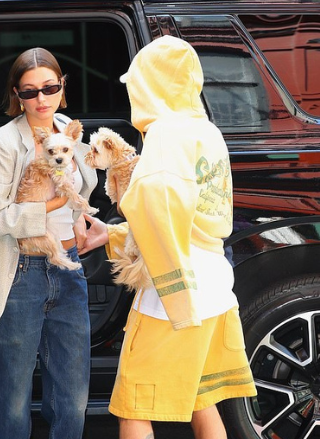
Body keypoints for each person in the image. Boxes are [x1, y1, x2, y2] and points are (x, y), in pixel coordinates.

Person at [78, 36, 256, 438]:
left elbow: (157, 206)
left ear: (149, 85)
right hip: (214, 281)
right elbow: (187, 215)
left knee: (133, 404)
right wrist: (113, 234)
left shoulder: (166, 134)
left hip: (175, 289)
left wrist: (170, 287)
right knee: (201, 396)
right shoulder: (205, 130)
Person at [0, 47, 97, 439]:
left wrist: (83, 220)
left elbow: (83, 192)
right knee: (11, 399)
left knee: (72, 399)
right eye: (29, 91)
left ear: (62, 87)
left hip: (69, 265)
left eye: (49, 87)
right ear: (16, 95)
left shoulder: (71, 133)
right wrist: (55, 203)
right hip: (19, 272)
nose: (41, 99)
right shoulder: (1, 142)